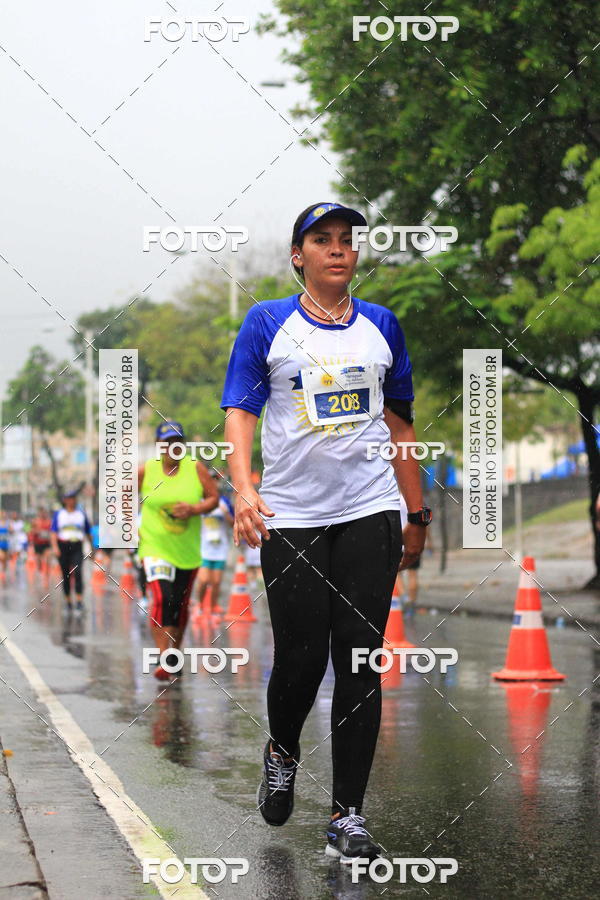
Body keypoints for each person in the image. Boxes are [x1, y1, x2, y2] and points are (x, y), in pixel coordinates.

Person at [222, 202, 432, 863]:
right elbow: (240, 413)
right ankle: (282, 750)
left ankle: (348, 815)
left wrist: (417, 512)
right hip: (293, 517)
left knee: (360, 659)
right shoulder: (267, 324)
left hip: (370, 510)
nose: (338, 249)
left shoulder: (383, 327)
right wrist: (245, 489)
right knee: (301, 659)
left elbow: (400, 429)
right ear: (299, 256)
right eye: (323, 240)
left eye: (347, 240)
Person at [137, 421, 218, 680]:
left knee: (179, 605)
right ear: (158, 446)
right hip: (154, 547)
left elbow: (214, 498)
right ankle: (164, 658)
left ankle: (175, 653)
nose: (172, 448)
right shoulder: (145, 471)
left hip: (187, 551)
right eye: (167, 443)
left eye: (177, 443)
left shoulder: (196, 468)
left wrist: (194, 509)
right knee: (161, 598)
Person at [196, 473, 234, 616]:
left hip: (220, 547)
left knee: (216, 581)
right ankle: (200, 605)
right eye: (212, 480)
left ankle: (212, 608)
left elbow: (233, 524)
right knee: (204, 580)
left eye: (216, 480)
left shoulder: (224, 502)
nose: (214, 483)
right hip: (203, 547)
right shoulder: (199, 501)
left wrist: (226, 514)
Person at [50, 489, 93, 614]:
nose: (72, 501)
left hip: (77, 546)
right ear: (65, 501)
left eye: (74, 498)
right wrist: (55, 547)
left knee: (78, 572)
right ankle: (68, 602)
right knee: (66, 575)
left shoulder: (81, 514)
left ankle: (79, 602)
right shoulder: (59, 514)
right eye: (69, 499)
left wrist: (92, 548)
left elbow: (88, 532)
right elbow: (53, 532)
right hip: (63, 546)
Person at [29, 507, 53, 573]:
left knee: (48, 559)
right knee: (39, 562)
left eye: (44, 513)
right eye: (41, 513)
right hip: (38, 544)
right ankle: (41, 570)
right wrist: (37, 532)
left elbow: (52, 532)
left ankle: (47, 574)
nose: (43, 514)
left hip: (46, 543)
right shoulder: (35, 521)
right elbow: (31, 531)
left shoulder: (49, 521)